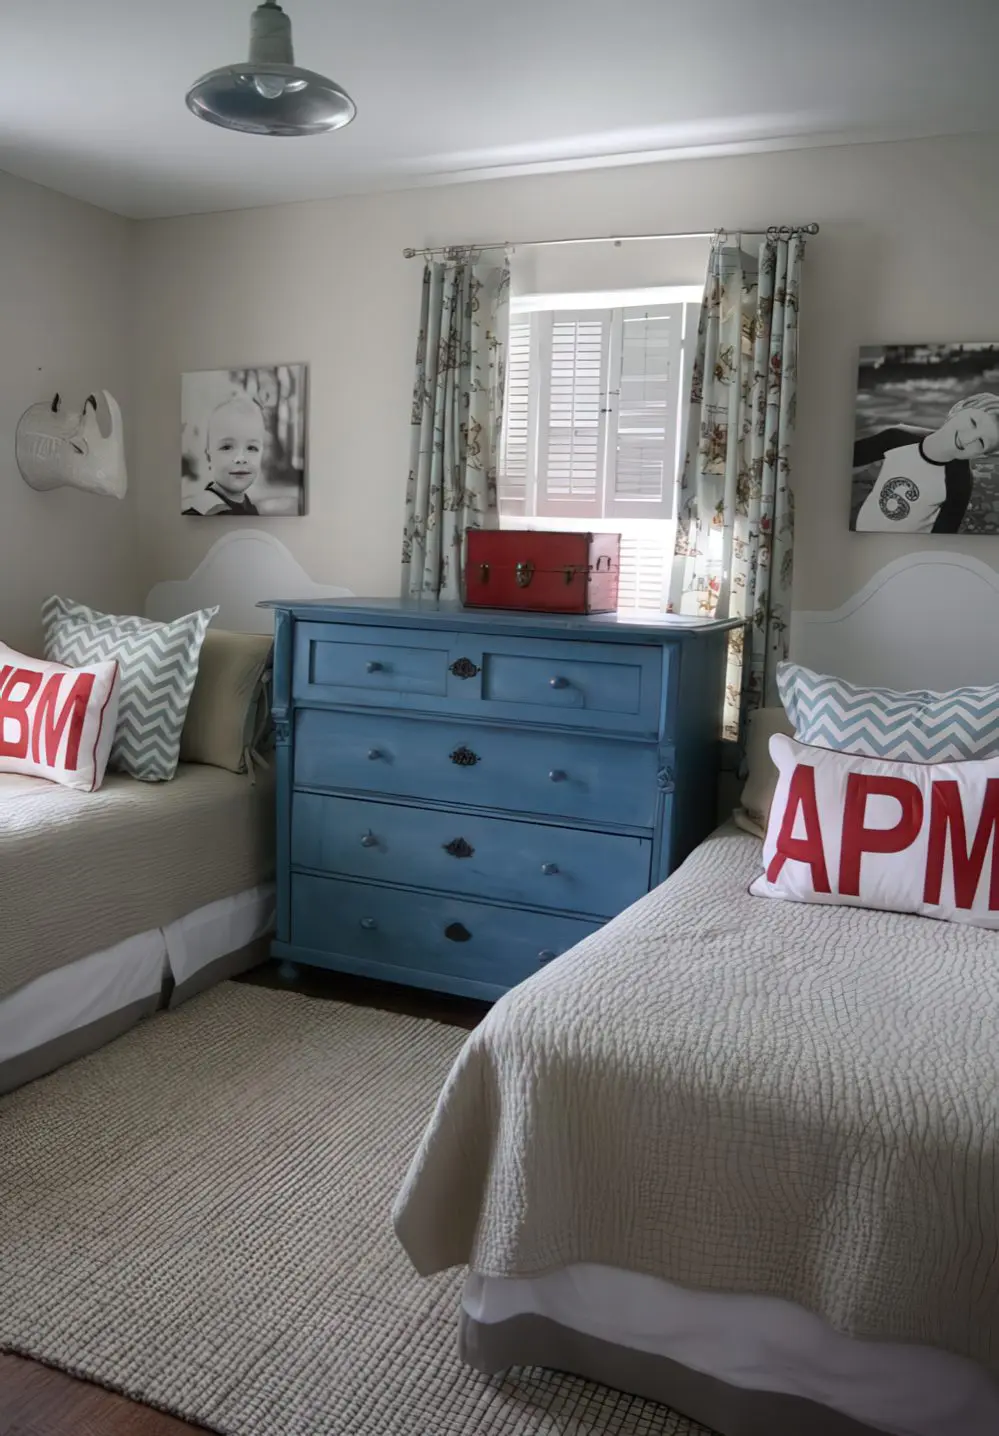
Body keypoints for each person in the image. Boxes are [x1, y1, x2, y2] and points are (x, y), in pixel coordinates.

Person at [853, 392, 999, 534]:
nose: (968, 439)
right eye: (973, 422)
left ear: (982, 455)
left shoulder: (959, 481)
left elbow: (944, 534)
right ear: (959, 408)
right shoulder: (896, 439)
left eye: (981, 442)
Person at [183, 395, 265, 516]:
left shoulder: (251, 509)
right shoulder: (201, 513)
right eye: (227, 447)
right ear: (209, 456)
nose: (241, 459)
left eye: (252, 448)